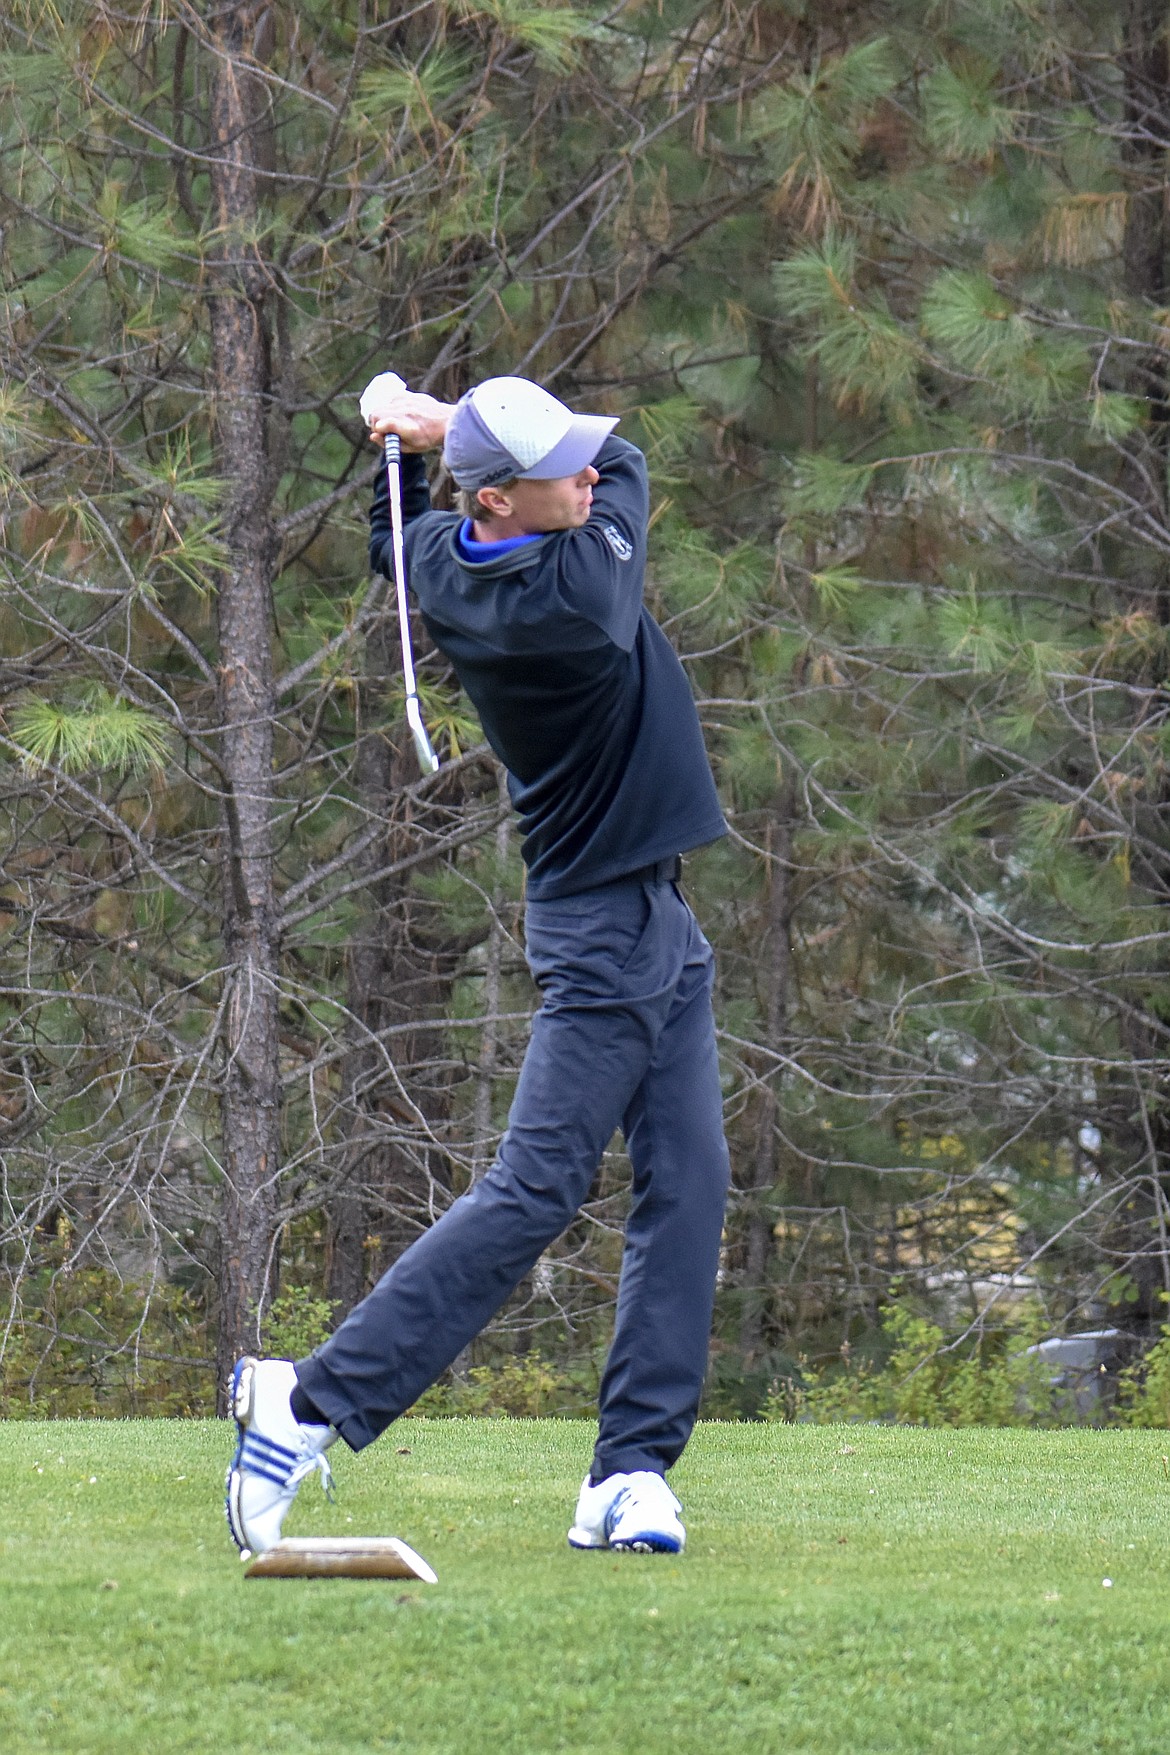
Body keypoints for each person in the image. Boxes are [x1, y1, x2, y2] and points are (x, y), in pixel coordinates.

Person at [225, 375, 731, 1558]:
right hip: (605, 932)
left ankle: (628, 1473)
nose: (593, 473)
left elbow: (390, 538)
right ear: (501, 499)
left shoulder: (447, 561)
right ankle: (303, 1407)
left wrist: (398, 440)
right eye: (563, 468)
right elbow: (641, 461)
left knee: (690, 1182)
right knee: (534, 1190)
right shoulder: (571, 598)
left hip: (653, 920)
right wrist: (437, 419)